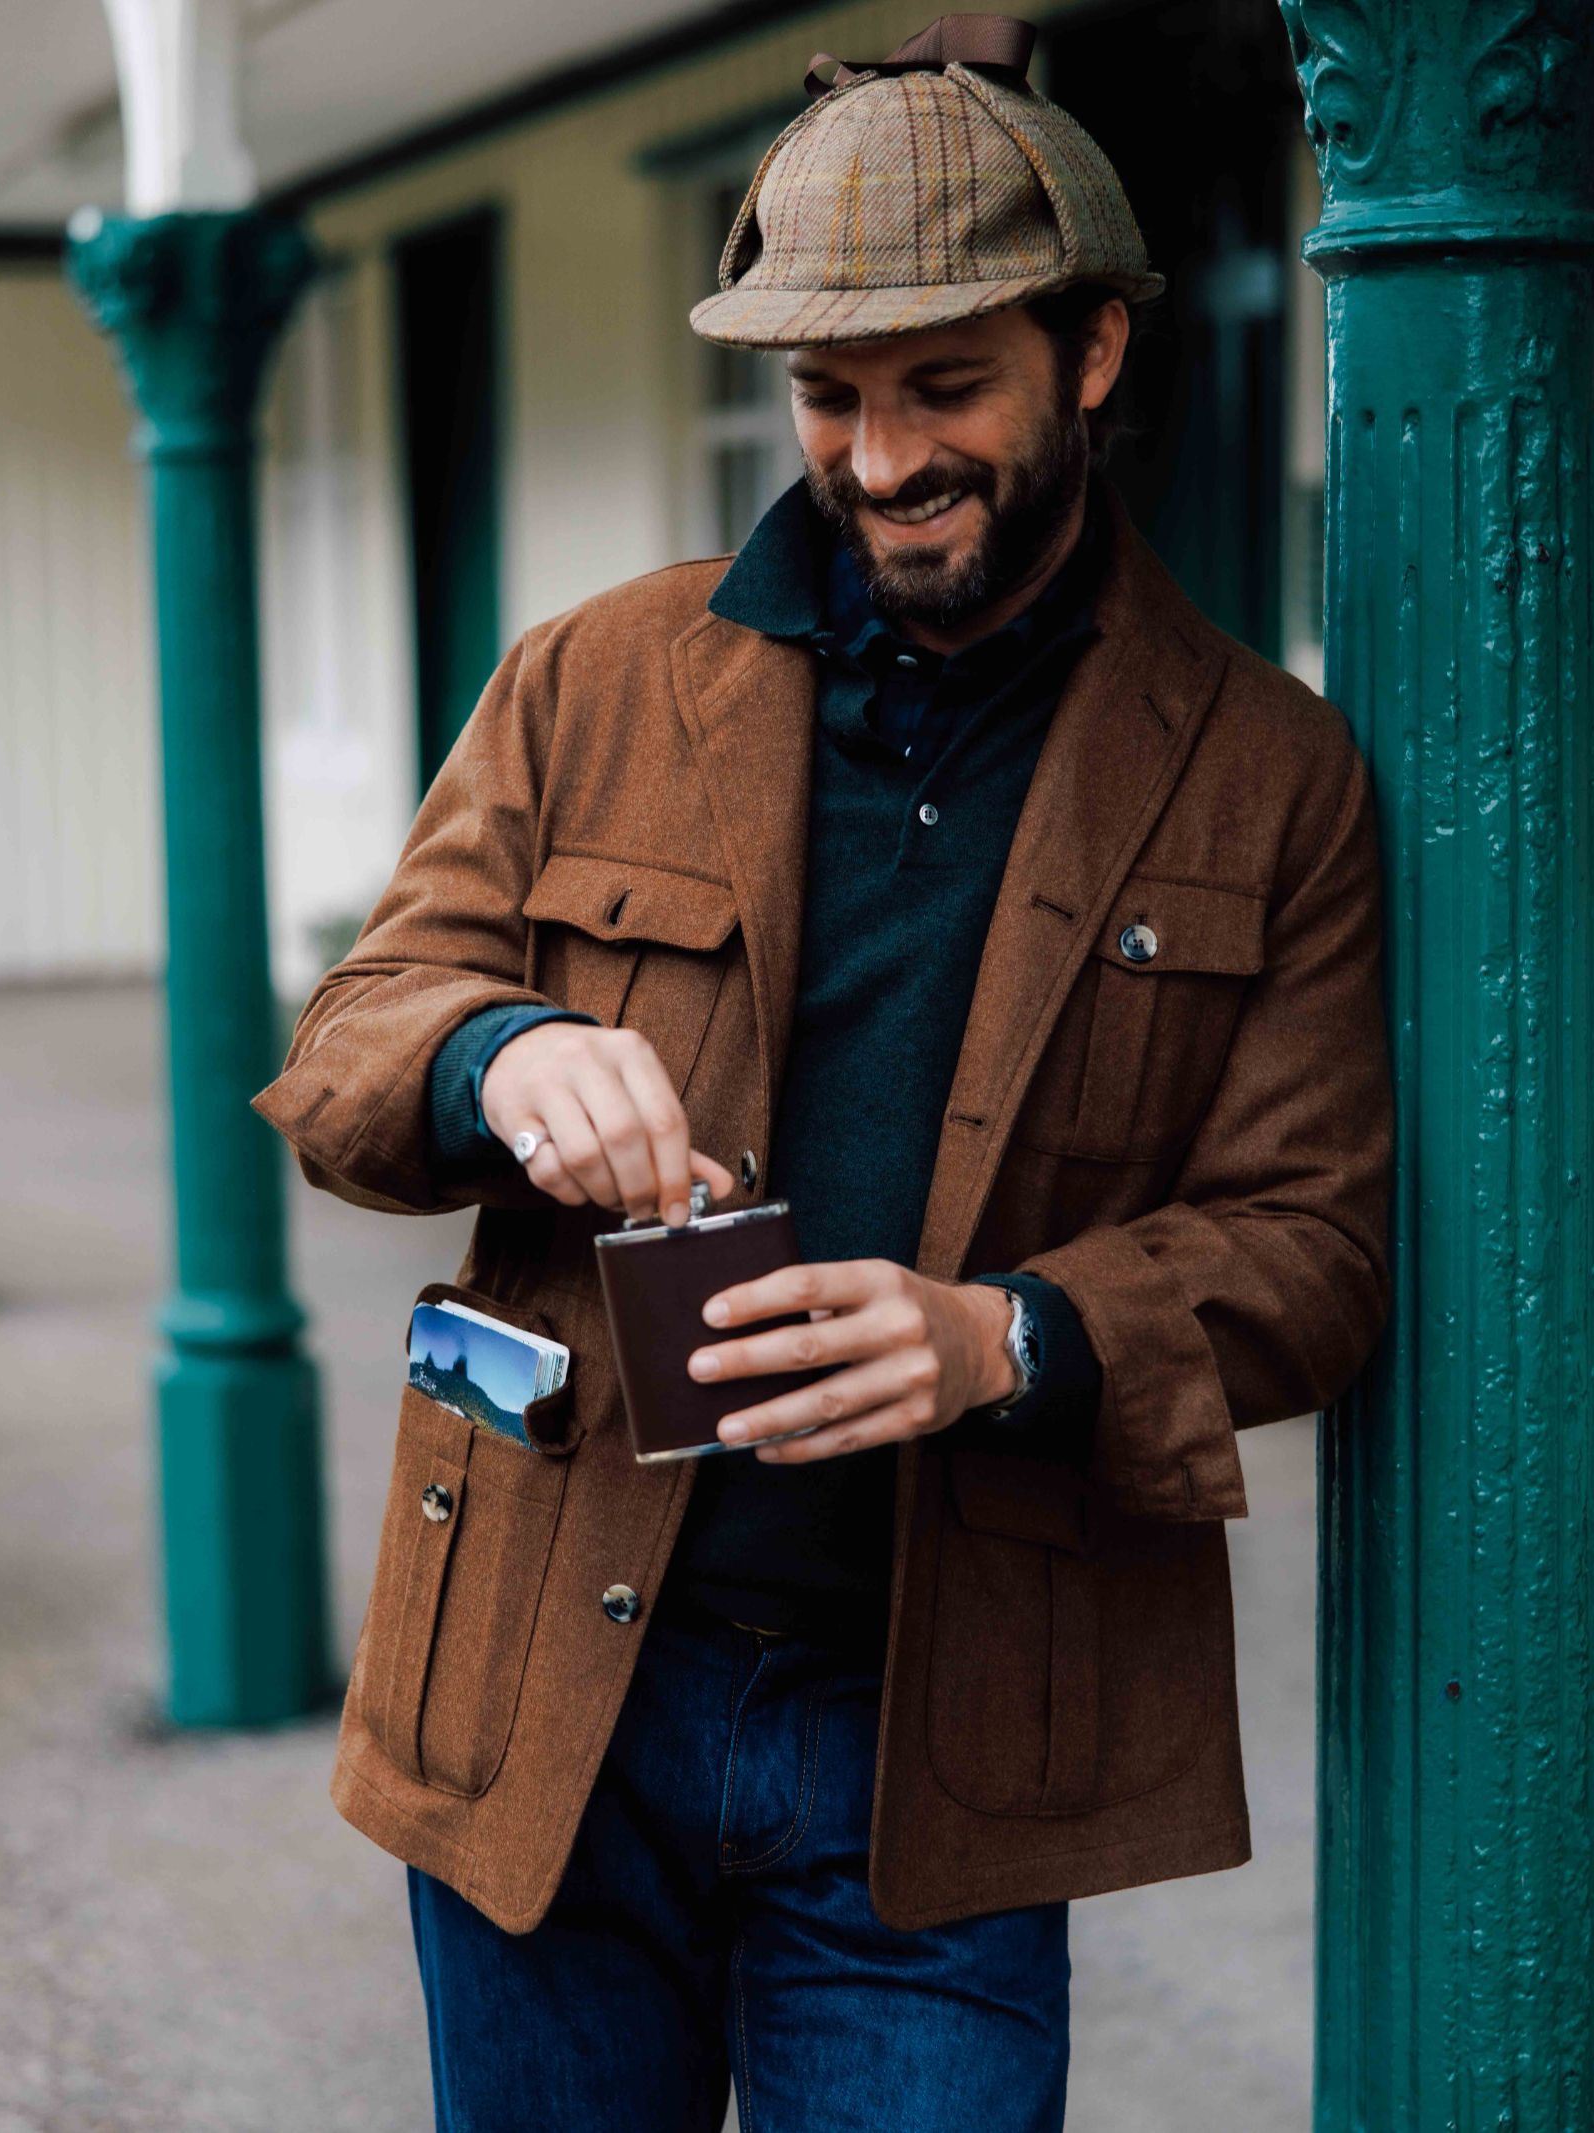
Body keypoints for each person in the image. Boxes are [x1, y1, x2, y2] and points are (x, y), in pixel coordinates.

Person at [253, 17, 1393, 2131]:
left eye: (940, 385)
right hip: (547, 1679)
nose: (873, 462)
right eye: (824, 397)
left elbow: (1314, 1247)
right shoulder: (588, 671)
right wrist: (498, 1054)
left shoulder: (1272, 774)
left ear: (1092, 353)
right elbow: (345, 1047)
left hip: (944, 1742)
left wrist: (1008, 1335)